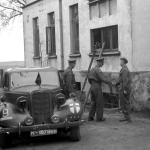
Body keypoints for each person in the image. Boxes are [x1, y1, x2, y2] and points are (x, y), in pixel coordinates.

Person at [88, 57, 112, 122]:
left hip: (92, 86)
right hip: (97, 87)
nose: (102, 64)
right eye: (102, 63)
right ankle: (99, 118)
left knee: (93, 102)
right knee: (100, 102)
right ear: (100, 62)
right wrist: (109, 81)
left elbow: (89, 79)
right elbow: (102, 78)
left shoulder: (92, 69)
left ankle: (90, 117)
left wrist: (93, 84)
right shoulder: (98, 70)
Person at [116, 57, 131, 122]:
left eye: (121, 61)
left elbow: (125, 80)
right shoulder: (123, 69)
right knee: (124, 103)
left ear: (123, 62)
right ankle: (126, 117)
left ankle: (127, 118)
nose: (120, 62)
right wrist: (117, 83)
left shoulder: (124, 70)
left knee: (125, 103)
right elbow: (121, 79)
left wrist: (124, 89)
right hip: (123, 87)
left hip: (124, 88)